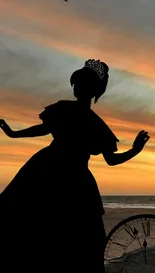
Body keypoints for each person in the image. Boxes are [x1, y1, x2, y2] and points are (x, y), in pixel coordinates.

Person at [0, 59, 149, 272]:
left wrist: (135, 150)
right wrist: (13, 134)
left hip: (74, 179)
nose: (77, 88)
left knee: (78, 233)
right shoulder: (64, 109)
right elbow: (43, 129)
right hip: (46, 171)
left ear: (93, 89)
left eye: (82, 84)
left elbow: (111, 159)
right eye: (76, 83)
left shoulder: (95, 123)